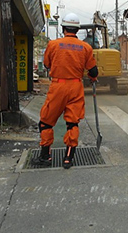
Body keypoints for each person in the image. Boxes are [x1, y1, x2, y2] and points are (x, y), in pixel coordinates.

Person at [32, 13, 98, 169]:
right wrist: (92, 78)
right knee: (72, 123)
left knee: (46, 122)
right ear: (77, 29)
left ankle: (46, 157)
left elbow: (47, 64)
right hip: (76, 86)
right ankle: (68, 158)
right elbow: (93, 71)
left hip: (58, 86)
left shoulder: (53, 45)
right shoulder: (86, 47)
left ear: (62, 28)